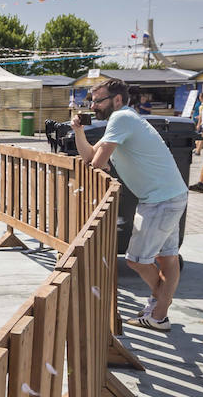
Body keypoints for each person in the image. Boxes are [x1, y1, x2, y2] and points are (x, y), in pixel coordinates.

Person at [72, 77, 188, 332]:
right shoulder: (124, 119)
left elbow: (97, 164)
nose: (93, 107)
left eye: (98, 101)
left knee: (136, 260)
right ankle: (159, 314)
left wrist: (100, 161)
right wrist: (79, 132)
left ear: (117, 100)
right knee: (167, 259)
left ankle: (160, 308)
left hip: (160, 200)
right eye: (91, 101)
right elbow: (92, 155)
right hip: (169, 195)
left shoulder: (121, 118)